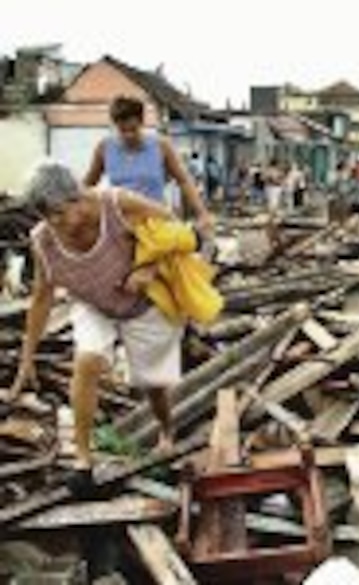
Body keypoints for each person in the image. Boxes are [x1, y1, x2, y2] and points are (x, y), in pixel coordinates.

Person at [12, 162, 186, 474]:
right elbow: (42, 297)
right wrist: (27, 357)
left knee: (153, 385)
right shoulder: (44, 240)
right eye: (46, 216)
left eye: (60, 213)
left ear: (76, 197)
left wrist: (148, 269)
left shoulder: (117, 204)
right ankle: (82, 454)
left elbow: (176, 229)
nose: (55, 223)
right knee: (87, 360)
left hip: (142, 302)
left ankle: (166, 429)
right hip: (93, 304)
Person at [84, 96, 213, 231]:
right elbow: (88, 184)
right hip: (122, 226)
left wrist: (202, 214)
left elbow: (184, 181)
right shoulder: (104, 148)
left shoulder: (161, 146)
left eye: (133, 129)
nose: (128, 136)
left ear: (142, 122)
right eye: (122, 131)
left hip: (155, 224)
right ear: (115, 126)